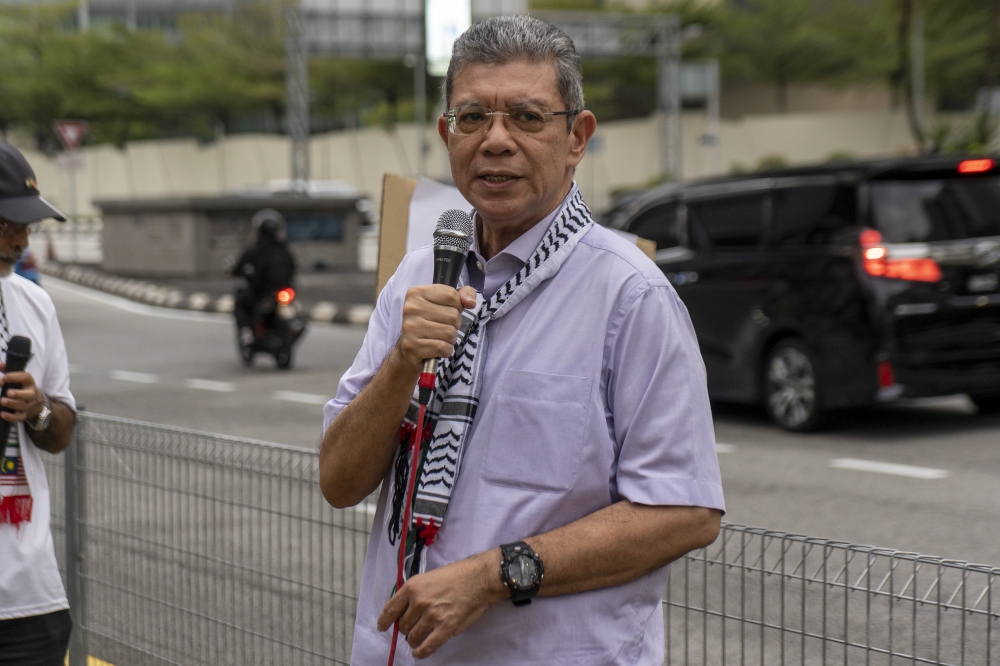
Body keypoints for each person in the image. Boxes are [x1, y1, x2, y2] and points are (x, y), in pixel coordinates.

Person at [320, 16, 724, 665]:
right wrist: (402, 363)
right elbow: (339, 481)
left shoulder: (629, 296)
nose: (496, 141)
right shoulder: (416, 279)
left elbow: (684, 512)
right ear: (446, 134)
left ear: (577, 137)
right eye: (473, 117)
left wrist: (492, 577)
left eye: (528, 118)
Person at [0, 141, 78, 665]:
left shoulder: (35, 303)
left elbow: (62, 428)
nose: (23, 239)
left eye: (29, 225)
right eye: (9, 223)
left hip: (31, 600)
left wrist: (38, 410)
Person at [232, 208, 296, 346]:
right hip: (284, 291)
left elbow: (239, 269)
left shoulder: (254, 250)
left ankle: (246, 332)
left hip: (262, 293)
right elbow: (293, 268)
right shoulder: (284, 249)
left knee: (240, 303)